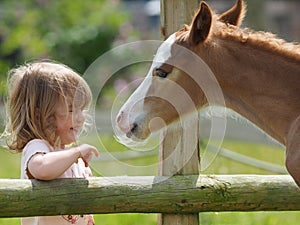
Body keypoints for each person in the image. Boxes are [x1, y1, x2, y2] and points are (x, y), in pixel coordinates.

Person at [3, 60, 99, 225]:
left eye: (81, 109)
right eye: (71, 109)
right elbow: (41, 169)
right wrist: (75, 153)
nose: (81, 118)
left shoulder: (62, 152)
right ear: (41, 115)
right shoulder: (38, 147)